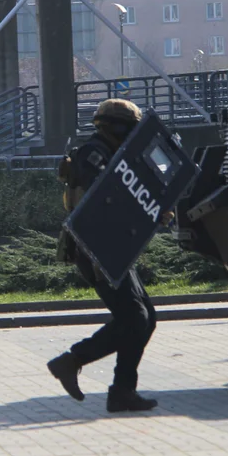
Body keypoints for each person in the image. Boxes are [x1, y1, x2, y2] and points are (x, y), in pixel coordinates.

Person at [46, 98, 159, 413]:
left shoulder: (111, 153)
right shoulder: (94, 154)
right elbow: (104, 198)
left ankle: (121, 390)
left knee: (145, 318)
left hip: (112, 245)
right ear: (118, 127)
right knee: (135, 318)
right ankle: (73, 362)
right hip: (95, 247)